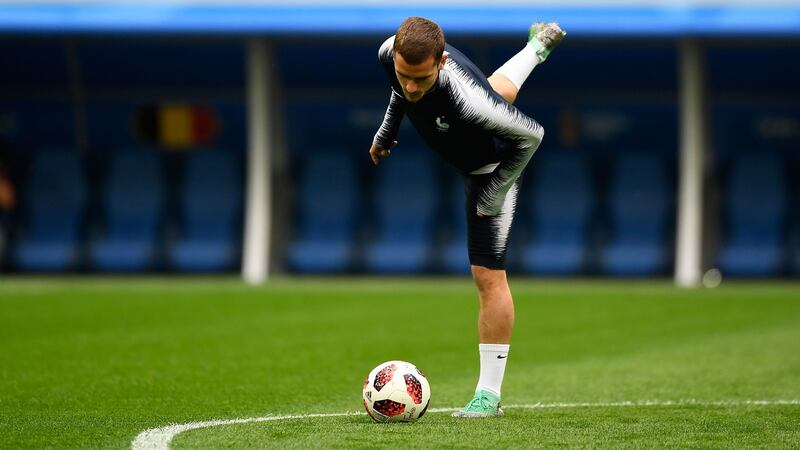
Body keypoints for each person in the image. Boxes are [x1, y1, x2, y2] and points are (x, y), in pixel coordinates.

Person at [369, 17, 565, 418]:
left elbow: (531, 135)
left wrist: (494, 193)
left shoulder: (467, 101)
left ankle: (488, 397)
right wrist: (387, 130)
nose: (410, 87)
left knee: (487, 275)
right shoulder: (391, 53)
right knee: (496, 93)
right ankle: (536, 49)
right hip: (472, 129)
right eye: (405, 75)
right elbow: (397, 90)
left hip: (492, 168)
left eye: (420, 79)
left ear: (441, 62)